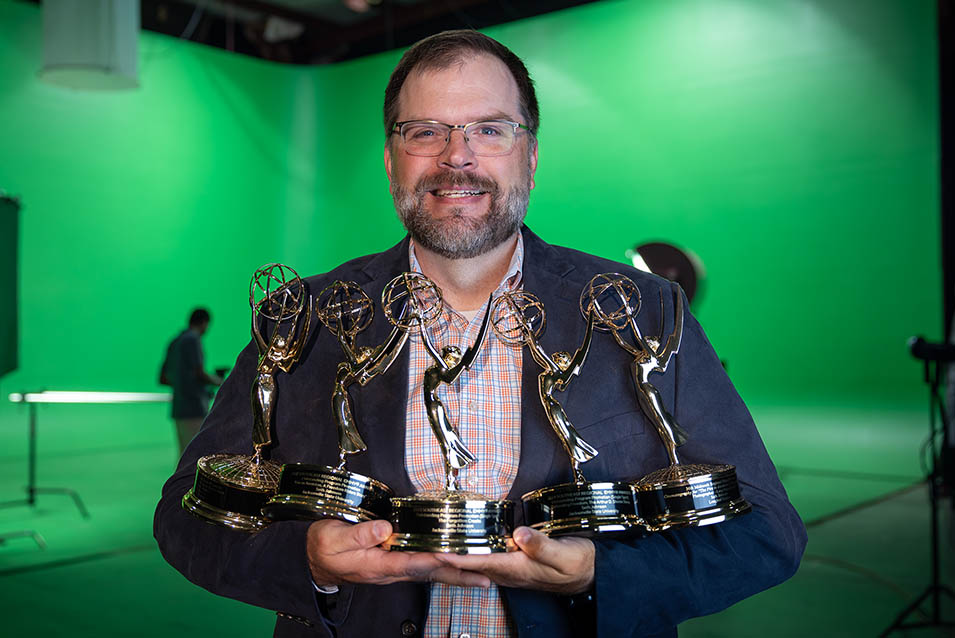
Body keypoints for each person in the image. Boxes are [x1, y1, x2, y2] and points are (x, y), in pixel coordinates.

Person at [154, 31, 807, 637]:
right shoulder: (303, 313)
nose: (455, 156)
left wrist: (596, 576)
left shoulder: (645, 311)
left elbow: (765, 532)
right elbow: (184, 516)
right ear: (390, 160)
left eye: (488, 130)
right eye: (423, 131)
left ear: (530, 155)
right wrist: (310, 562)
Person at [159, 308, 222, 454]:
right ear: (204, 323)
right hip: (194, 407)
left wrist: (182, 383)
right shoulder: (193, 340)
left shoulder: (174, 342)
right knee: (195, 456)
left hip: (179, 409)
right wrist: (220, 382)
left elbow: (163, 378)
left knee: (183, 455)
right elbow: (199, 373)